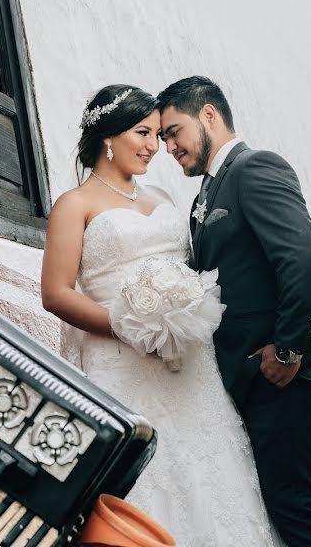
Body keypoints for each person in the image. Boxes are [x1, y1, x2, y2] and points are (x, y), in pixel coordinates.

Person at [41, 84, 279, 544]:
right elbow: (55, 293)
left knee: (215, 476)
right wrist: (130, 327)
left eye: (159, 134)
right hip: (122, 365)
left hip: (191, 366)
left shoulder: (166, 199)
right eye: (143, 132)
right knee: (150, 482)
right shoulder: (75, 205)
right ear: (109, 137)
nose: (155, 146)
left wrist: (185, 309)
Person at [158, 76, 311, 546]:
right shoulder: (205, 194)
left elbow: (301, 259)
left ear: (208, 115)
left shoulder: (255, 167)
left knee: (296, 504)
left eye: (173, 131)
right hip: (251, 377)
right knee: (283, 503)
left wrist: (287, 350)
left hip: (285, 373)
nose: (168, 147)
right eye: (161, 138)